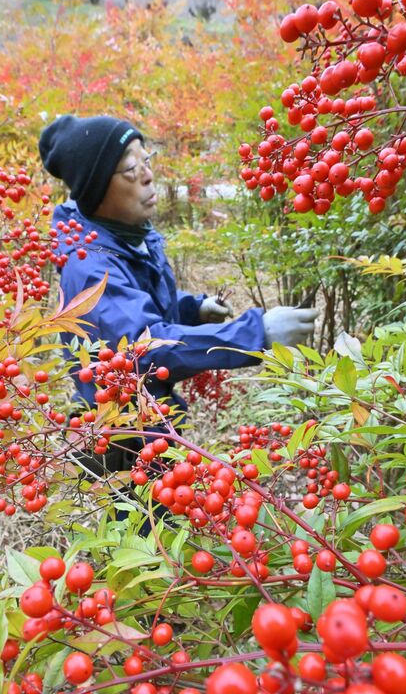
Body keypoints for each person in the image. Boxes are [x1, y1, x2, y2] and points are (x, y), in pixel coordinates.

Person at [38, 114, 318, 469]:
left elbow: (138, 298)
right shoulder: (89, 269)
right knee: (151, 523)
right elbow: (144, 347)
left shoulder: (129, 236)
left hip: (154, 418)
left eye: (146, 160)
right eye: (129, 169)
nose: (148, 175)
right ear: (96, 190)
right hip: (125, 442)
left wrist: (192, 308)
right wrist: (256, 333)